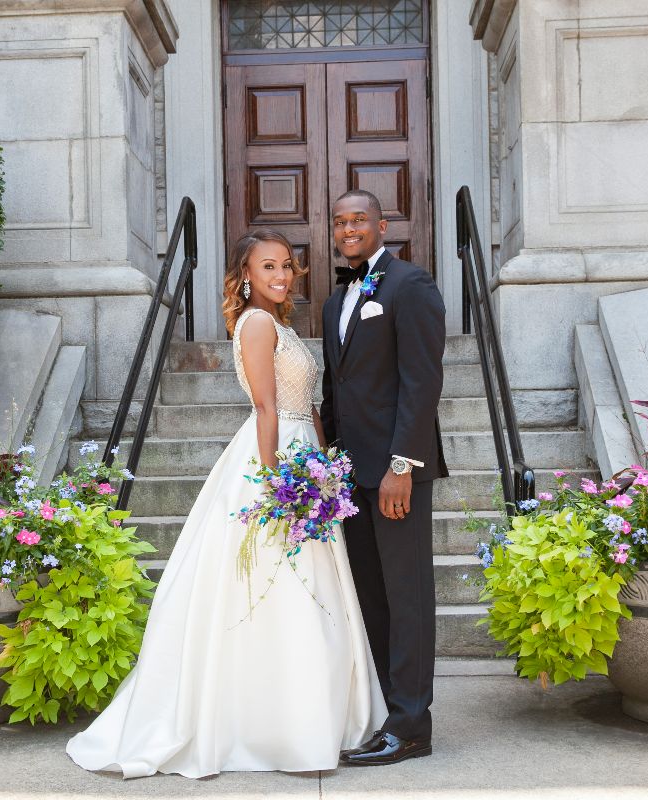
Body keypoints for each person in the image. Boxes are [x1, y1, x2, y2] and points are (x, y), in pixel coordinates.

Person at [66, 229, 386, 779]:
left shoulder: (282, 323)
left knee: (310, 584)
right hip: (275, 458)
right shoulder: (258, 324)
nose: (282, 276)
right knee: (276, 586)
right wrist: (272, 483)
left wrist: (327, 466)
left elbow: (306, 405)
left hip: (304, 455)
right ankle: (275, 726)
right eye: (268, 267)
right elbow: (266, 407)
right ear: (245, 277)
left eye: (286, 265)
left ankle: (310, 717)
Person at [321, 189, 447, 767]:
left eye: (359, 220)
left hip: (397, 472)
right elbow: (338, 388)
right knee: (372, 596)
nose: (349, 229)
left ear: (382, 225)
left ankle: (412, 726)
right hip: (351, 475)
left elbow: (422, 384)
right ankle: (386, 711)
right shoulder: (335, 300)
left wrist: (404, 465)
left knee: (408, 597)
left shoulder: (409, 285)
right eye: (340, 222)